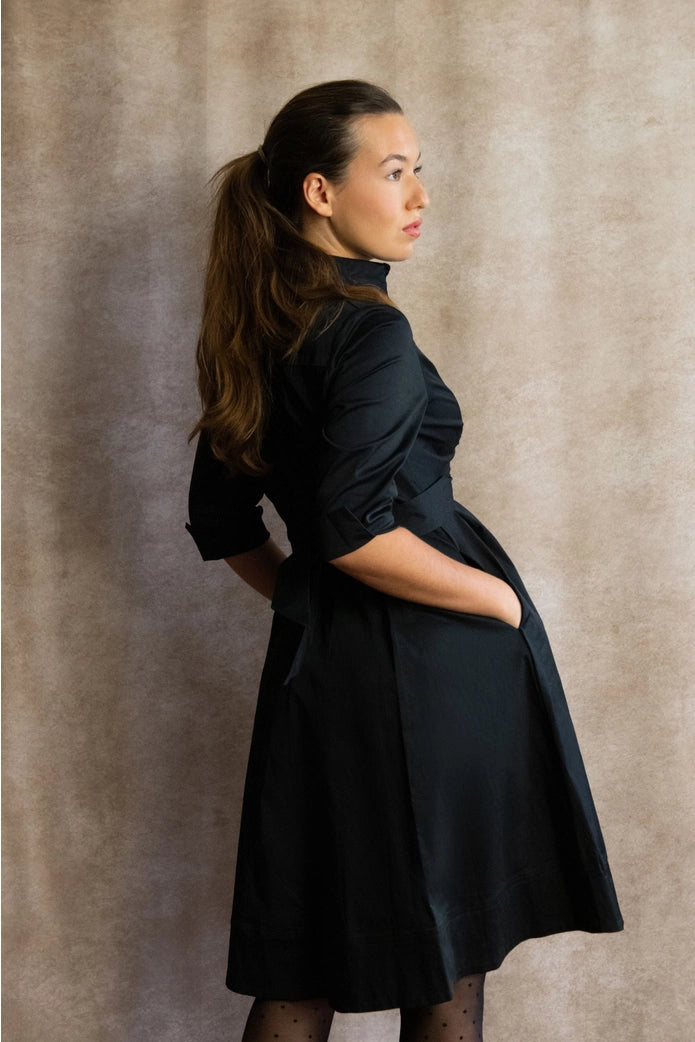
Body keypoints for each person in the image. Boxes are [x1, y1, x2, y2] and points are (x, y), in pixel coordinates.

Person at [186, 79, 623, 1042]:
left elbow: (222, 521)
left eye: (418, 169)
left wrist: (309, 603)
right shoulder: (369, 329)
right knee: (444, 971)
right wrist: (498, 600)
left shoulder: (252, 330)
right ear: (319, 192)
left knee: (302, 965)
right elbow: (350, 529)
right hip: (431, 670)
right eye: (393, 172)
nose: (419, 194)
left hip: (321, 673)